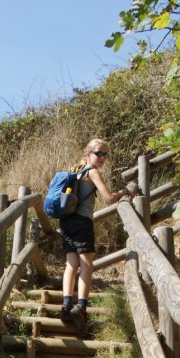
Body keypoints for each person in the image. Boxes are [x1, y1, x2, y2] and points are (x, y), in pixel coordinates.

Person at [59, 138, 129, 335]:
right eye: (99, 153)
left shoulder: (76, 171)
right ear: (88, 154)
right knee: (86, 263)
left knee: (71, 263)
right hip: (82, 222)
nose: (102, 158)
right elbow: (108, 199)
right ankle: (81, 306)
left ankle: (66, 305)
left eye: (105, 154)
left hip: (66, 222)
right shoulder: (92, 172)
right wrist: (124, 191)